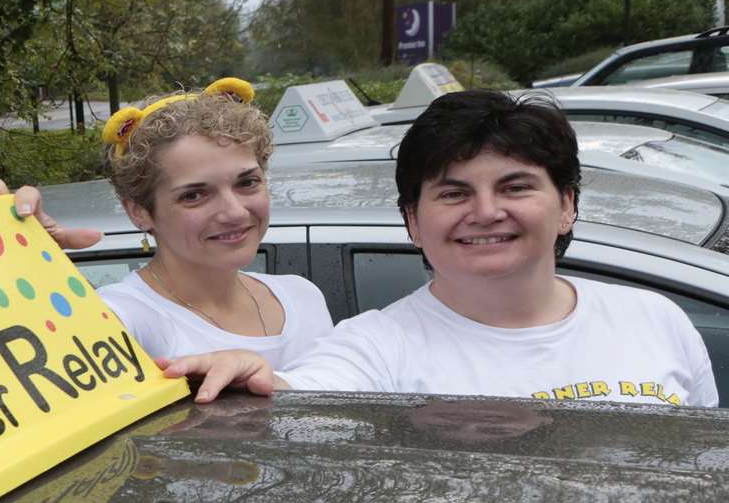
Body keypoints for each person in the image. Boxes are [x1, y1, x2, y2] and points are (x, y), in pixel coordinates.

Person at [162, 90, 718, 408]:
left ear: (567, 204)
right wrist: (247, 375)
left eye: (515, 186)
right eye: (454, 193)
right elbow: (291, 393)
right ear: (412, 221)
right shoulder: (376, 347)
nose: (485, 211)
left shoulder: (656, 318)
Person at [0, 78, 333, 368]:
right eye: (194, 195)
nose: (235, 211)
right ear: (139, 212)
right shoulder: (124, 319)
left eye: (247, 182)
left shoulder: (302, 296)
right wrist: (14, 275)